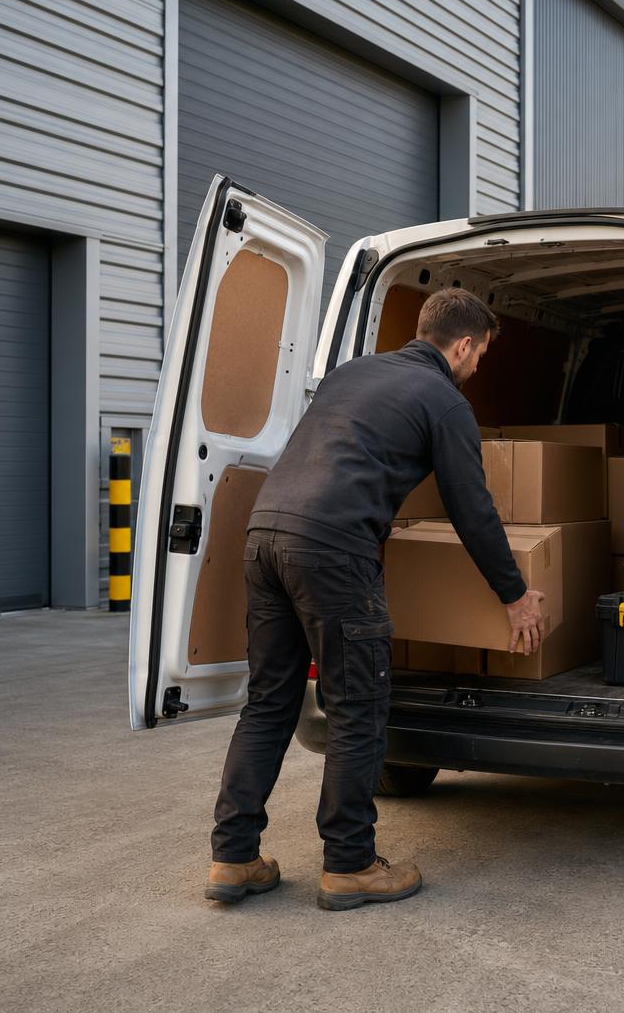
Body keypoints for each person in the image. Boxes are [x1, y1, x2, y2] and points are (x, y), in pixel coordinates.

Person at [205, 287, 546, 910]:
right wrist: (516, 595)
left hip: (265, 536)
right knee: (357, 706)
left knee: (269, 703)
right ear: (463, 344)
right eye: (481, 356)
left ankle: (233, 858)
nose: (477, 370)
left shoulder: (351, 373)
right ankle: (350, 865)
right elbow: (472, 509)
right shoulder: (444, 400)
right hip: (333, 552)